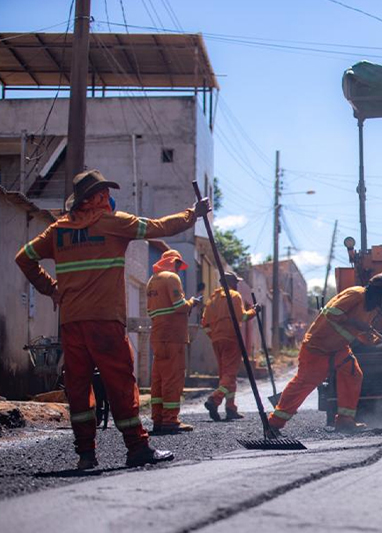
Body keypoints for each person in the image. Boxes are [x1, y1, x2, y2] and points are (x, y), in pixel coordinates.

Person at [15, 169, 211, 470]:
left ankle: (86, 454)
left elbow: (23, 257)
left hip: (71, 323)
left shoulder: (58, 231)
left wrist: (50, 288)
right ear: (92, 200)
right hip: (105, 321)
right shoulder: (113, 224)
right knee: (120, 382)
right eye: (103, 194)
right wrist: (193, 214)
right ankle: (137, 446)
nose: (108, 199)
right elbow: (158, 227)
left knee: (78, 386)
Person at [268, 273, 382, 434]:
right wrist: (355, 322)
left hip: (338, 349)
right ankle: (273, 423)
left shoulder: (370, 308)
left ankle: (345, 421)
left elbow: (364, 335)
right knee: (304, 383)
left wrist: (381, 340)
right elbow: (332, 312)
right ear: (378, 292)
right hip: (318, 347)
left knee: (353, 374)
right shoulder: (356, 294)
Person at [146, 249, 201, 434]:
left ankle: (158, 419)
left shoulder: (152, 281)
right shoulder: (171, 278)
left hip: (158, 336)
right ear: (174, 262)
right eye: (178, 265)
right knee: (173, 378)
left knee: (159, 379)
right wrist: (192, 302)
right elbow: (179, 306)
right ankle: (170, 419)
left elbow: (152, 311)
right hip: (173, 336)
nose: (179, 269)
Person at [201, 272, 260, 421]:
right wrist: (254, 311)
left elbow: (205, 324)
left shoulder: (212, 300)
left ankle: (230, 408)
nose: (237, 285)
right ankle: (215, 399)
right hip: (231, 339)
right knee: (230, 373)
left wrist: (214, 336)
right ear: (232, 282)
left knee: (225, 374)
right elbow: (242, 317)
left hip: (217, 341)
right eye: (236, 283)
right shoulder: (234, 295)